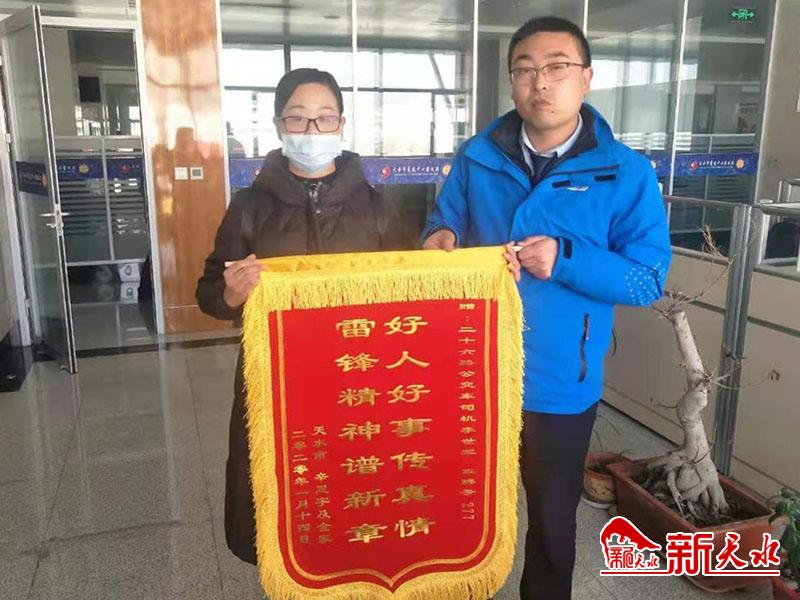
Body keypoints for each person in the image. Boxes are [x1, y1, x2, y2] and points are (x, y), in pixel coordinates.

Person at [422, 16, 672, 600]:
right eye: (525, 70)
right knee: (453, 509)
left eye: (557, 67)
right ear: (512, 81)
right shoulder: (477, 157)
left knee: (552, 525)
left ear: (586, 78)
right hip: (470, 372)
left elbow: (646, 280)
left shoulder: (625, 173)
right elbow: (443, 221)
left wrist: (564, 258)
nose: (541, 83)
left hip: (560, 382)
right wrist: (439, 238)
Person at [196, 68, 405, 565]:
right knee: (284, 492)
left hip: (359, 381)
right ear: (278, 126)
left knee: (354, 486)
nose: (311, 131)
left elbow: (414, 287)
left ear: (341, 125)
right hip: (277, 381)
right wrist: (229, 294)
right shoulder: (248, 206)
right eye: (298, 118)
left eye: (324, 118)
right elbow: (208, 293)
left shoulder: (376, 207)